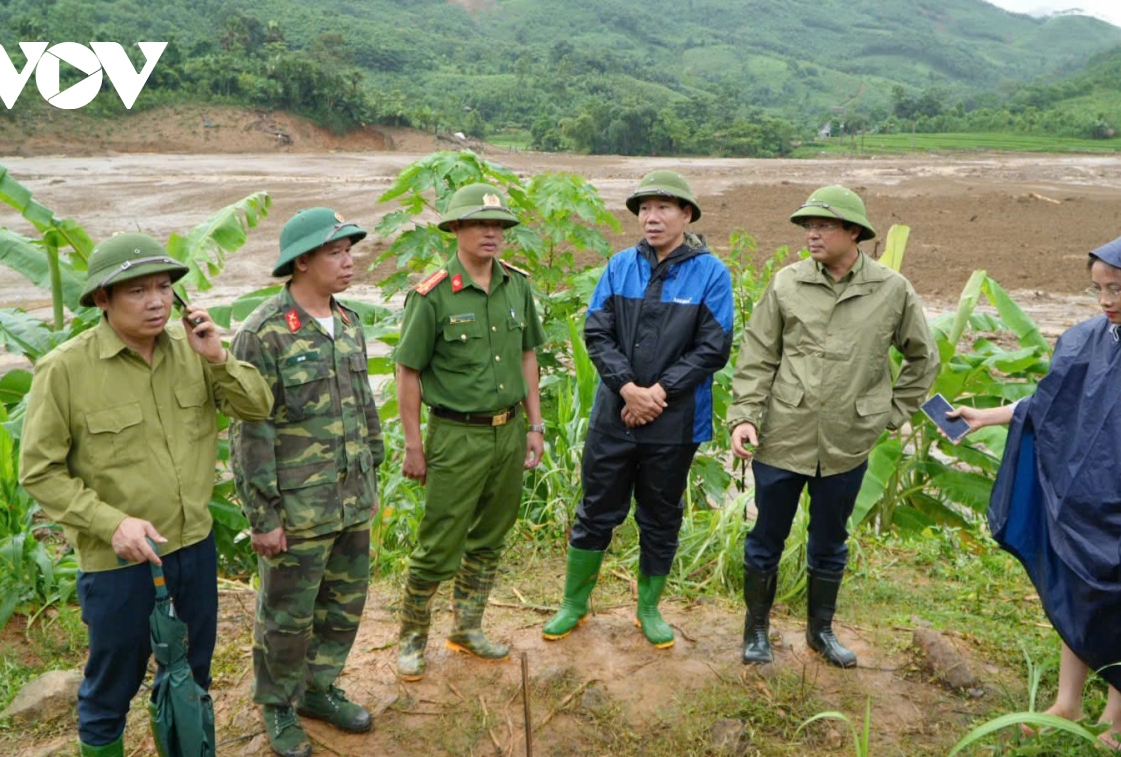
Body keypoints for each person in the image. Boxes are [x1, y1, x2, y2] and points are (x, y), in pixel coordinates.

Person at [19, 232, 272, 757]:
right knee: (111, 688)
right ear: (103, 299)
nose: (157, 301)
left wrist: (219, 356)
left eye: (164, 288)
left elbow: (258, 407)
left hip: (193, 546)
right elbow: (40, 471)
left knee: (191, 670)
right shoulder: (66, 370)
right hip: (118, 563)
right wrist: (110, 522)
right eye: (138, 291)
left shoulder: (194, 352)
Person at [727, 186, 939, 668]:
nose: (811, 234)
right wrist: (743, 415)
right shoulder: (787, 283)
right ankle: (756, 629)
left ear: (853, 233)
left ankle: (821, 630)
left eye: (822, 225)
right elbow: (758, 356)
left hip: (847, 443)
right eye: (807, 226)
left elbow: (923, 359)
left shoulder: (891, 290)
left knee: (830, 540)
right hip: (783, 436)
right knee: (766, 538)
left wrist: (890, 414)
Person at [541, 169, 734, 648]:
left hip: (675, 421)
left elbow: (713, 348)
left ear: (686, 215)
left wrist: (656, 395)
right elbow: (596, 332)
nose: (652, 217)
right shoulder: (619, 265)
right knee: (596, 510)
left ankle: (648, 607)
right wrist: (628, 390)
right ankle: (574, 603)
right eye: (645, 208)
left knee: (660, 513)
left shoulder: (710, 273)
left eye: (664, 208)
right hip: (615, 415)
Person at [950, 233, 1121, 751]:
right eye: (1098, 290)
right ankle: (1067, 701)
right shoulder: (1088, 340)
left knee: (1120, 603)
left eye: (1115, 289)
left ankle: (1115, 717)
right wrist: (985, 415)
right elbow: (1046, 406)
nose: (1105, 301)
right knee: (1074, 592)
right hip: (1080, 502)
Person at [229, 208, 384, 757]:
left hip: (350, 500)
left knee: (343, 606)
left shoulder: (349, 323)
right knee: (287, 616)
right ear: (301, 262)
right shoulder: (262, 333)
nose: (349, 261)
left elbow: (365, 408)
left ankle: (319, 689)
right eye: (335, 252)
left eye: (350, 250)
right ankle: (277, 703)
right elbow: (251, 430)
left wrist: (374, 471)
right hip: (297, 509)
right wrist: (263, 516)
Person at [393, 182, 546, 682]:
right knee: (439, 542)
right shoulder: (433, 295)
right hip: (456, 435)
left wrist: (535, 426)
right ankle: (412, 639)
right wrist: (414, 446)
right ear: (455, 228)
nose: (491, 233)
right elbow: (408, 372)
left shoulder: (516, 285)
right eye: (480, 224)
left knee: (491, 535)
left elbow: (528, 356)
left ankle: (467, 626)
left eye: (499, 226)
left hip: (508, 431)